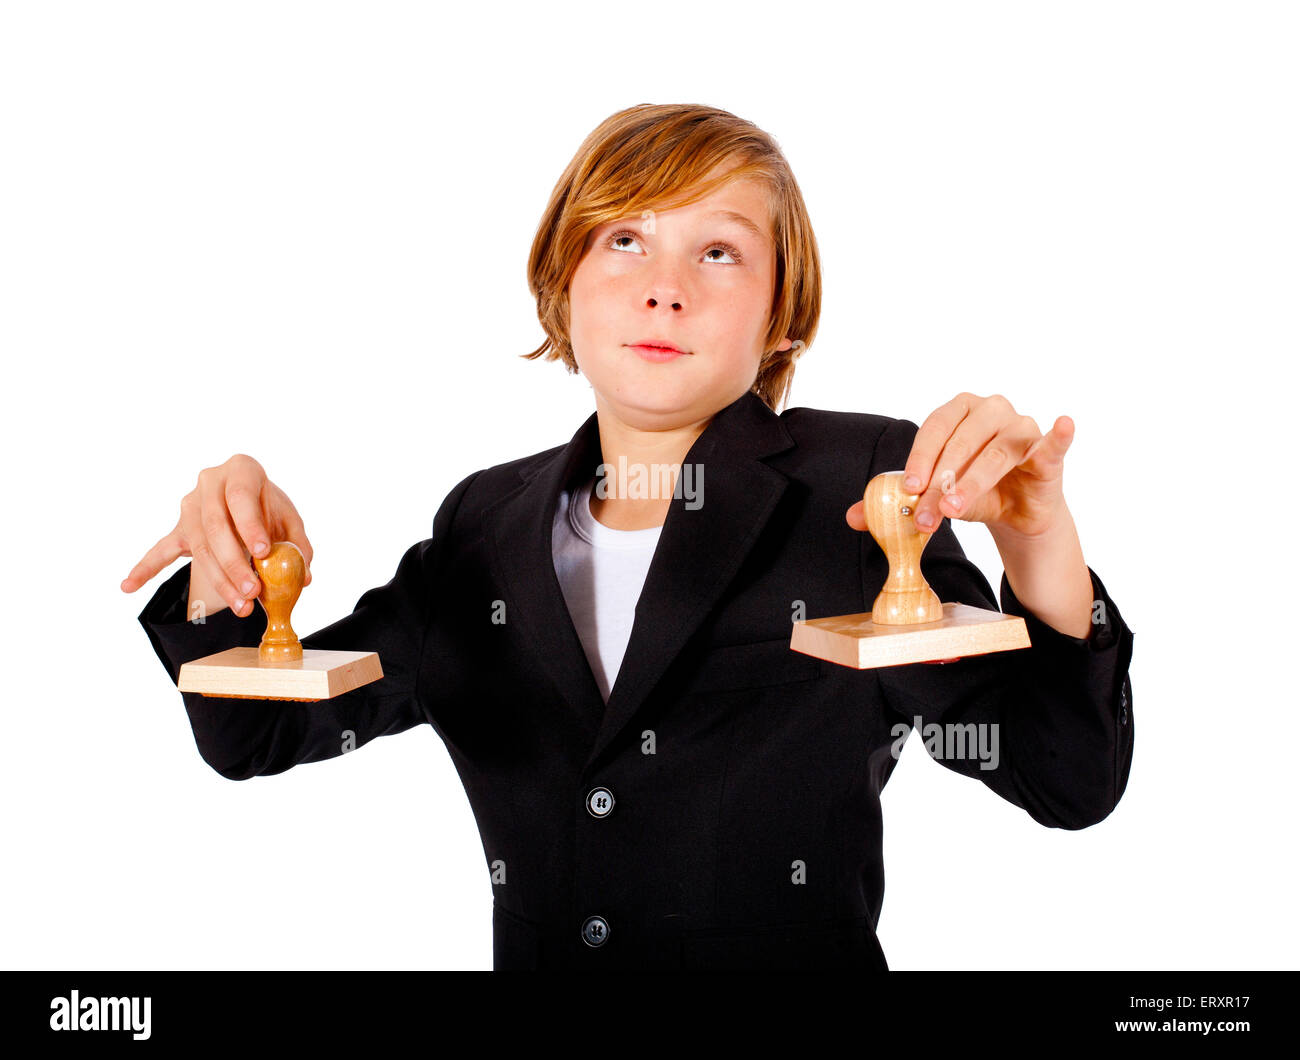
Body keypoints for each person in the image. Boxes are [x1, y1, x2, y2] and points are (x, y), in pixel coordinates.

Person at [120, 103, 1135, 970]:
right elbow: (250, 734)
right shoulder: (481, 528)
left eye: (720, 249)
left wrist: (1040, 541)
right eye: (624, 239)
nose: (665, 285)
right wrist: (230, 564)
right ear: (563, 282)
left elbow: (1063, 776)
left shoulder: (865, 489)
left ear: (784, 315)